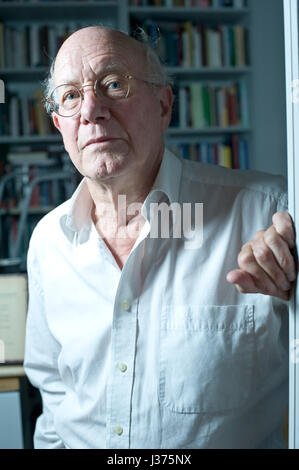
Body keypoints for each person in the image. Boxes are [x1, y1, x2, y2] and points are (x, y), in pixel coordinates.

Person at [24, 25, 296, 449]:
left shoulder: (268, 212)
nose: (92, 110)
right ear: (60, 123)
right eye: (71, 95)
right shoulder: (48, 242)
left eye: (114, 85)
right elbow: (54, 394)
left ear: (164, 104)